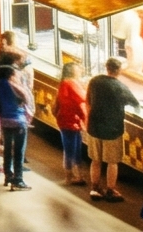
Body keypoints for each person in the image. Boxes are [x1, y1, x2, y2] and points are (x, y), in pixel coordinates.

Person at [87, 55, 139, 202]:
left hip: (94, 127)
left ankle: (95, 189)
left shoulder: (95, 81)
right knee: (112, 161)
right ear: (119, 70)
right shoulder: (120, 87)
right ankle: (110, 190)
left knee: (95, 160)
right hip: (113, 129)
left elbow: (88, 99)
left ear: (107, 68)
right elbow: (134, 103)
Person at [0, 63, 31, 189]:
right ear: (10, 75)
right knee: (19, 151)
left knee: (7, 149)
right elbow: (26, 97)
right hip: (18, 121)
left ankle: (8, 175)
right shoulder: (11, 84)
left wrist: (2, 113)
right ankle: (18, 180)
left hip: (5, 121)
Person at [56, 56, 91, 191]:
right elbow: (83, 98)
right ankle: (71, 177)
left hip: (67, 121)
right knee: (73, 149)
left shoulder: (64, 83)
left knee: (72, 148)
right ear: (72, 71)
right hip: (70, 121)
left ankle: (74, 175)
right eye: (78, 69)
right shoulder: (71, 83)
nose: (80, 71)